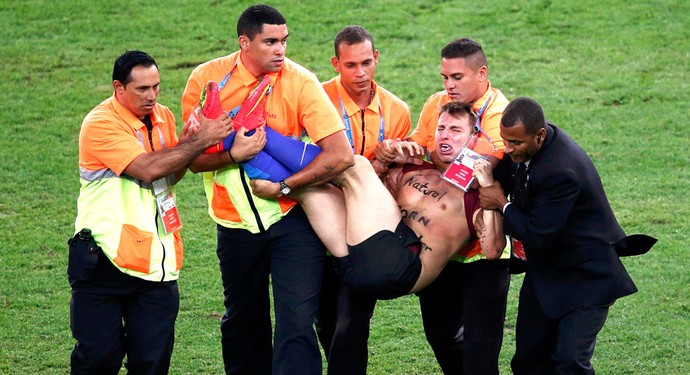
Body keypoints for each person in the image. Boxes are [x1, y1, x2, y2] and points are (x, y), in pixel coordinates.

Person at [180, 4, 353, 375]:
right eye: (270, 41)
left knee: (296, 324)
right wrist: (233, 155)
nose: (281, 50)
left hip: (292, 221)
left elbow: (340, 156)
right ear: (245, 42)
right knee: (243, 324)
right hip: (233, 226)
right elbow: (191, 159)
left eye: (284, 41)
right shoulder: (207, 80)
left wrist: (284, 187)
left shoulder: (300, 81)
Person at [69, 50, 232, 374]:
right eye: (142, 89)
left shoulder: (163, 117)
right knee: (98, 358)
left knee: (152, 363)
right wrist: (198, 143)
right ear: (118, 88)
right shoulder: (101, 123)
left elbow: (167, 176)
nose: (152, 96)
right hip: (105, 260)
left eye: (156, 87)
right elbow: (146, 168)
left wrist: (182, 148)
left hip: (156, 262)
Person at [379, 37, 512, 375]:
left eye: (457, 77)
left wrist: (431, 155)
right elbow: (420, 150)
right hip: (439, 244)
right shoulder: (436, 103)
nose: (448, 86)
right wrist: (399, 150)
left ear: (482, 74)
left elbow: (473, 171)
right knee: (440, 336)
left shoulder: (501, 116)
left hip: (485, 249)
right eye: (444, 77)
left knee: (481, 348)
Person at [478, 97, 639, 374]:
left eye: (515, 143)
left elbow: (538, 235)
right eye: (505, 140)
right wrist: (489, 165)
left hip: (586, 278)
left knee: (569, 362)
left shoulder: (560, 172)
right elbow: (506, 166)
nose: (508, 149)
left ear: (539, 136)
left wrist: (502, 204)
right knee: (528, 361)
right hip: (547, 273)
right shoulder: (529, 145)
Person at [315, 25, 412, 374]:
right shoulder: (316, 100)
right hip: (320, 224)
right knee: (326, 320)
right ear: (335, 63)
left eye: (366, 63)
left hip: (367, 231)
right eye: (351, 65)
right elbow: (308, 163)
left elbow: (397, 178)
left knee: (352, 320)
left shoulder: (397, 110)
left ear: (377, 59)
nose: (360, 73)